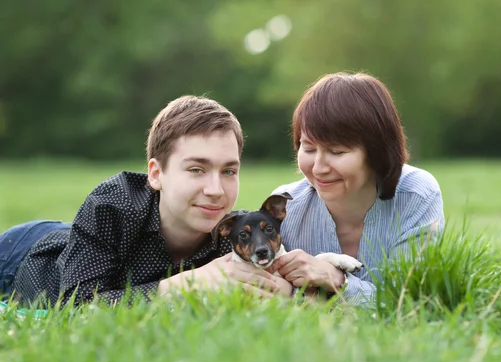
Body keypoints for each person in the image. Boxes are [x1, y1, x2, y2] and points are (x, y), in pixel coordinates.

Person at [0, 95, 293, 308]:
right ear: (156, 174)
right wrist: (191, 283)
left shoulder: (239, 232)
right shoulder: (113, 205)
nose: (216, 190)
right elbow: (76, 308)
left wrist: (281, 289)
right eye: (196, 169)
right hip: (20, 256)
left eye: (229, 170)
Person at [268, 72, 445, 306]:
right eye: (308, 149)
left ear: (376, 152)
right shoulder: (284, 206)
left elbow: (411, 304)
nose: (319, 168)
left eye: (337, 152)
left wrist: (337, 280)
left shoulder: (416, 195)